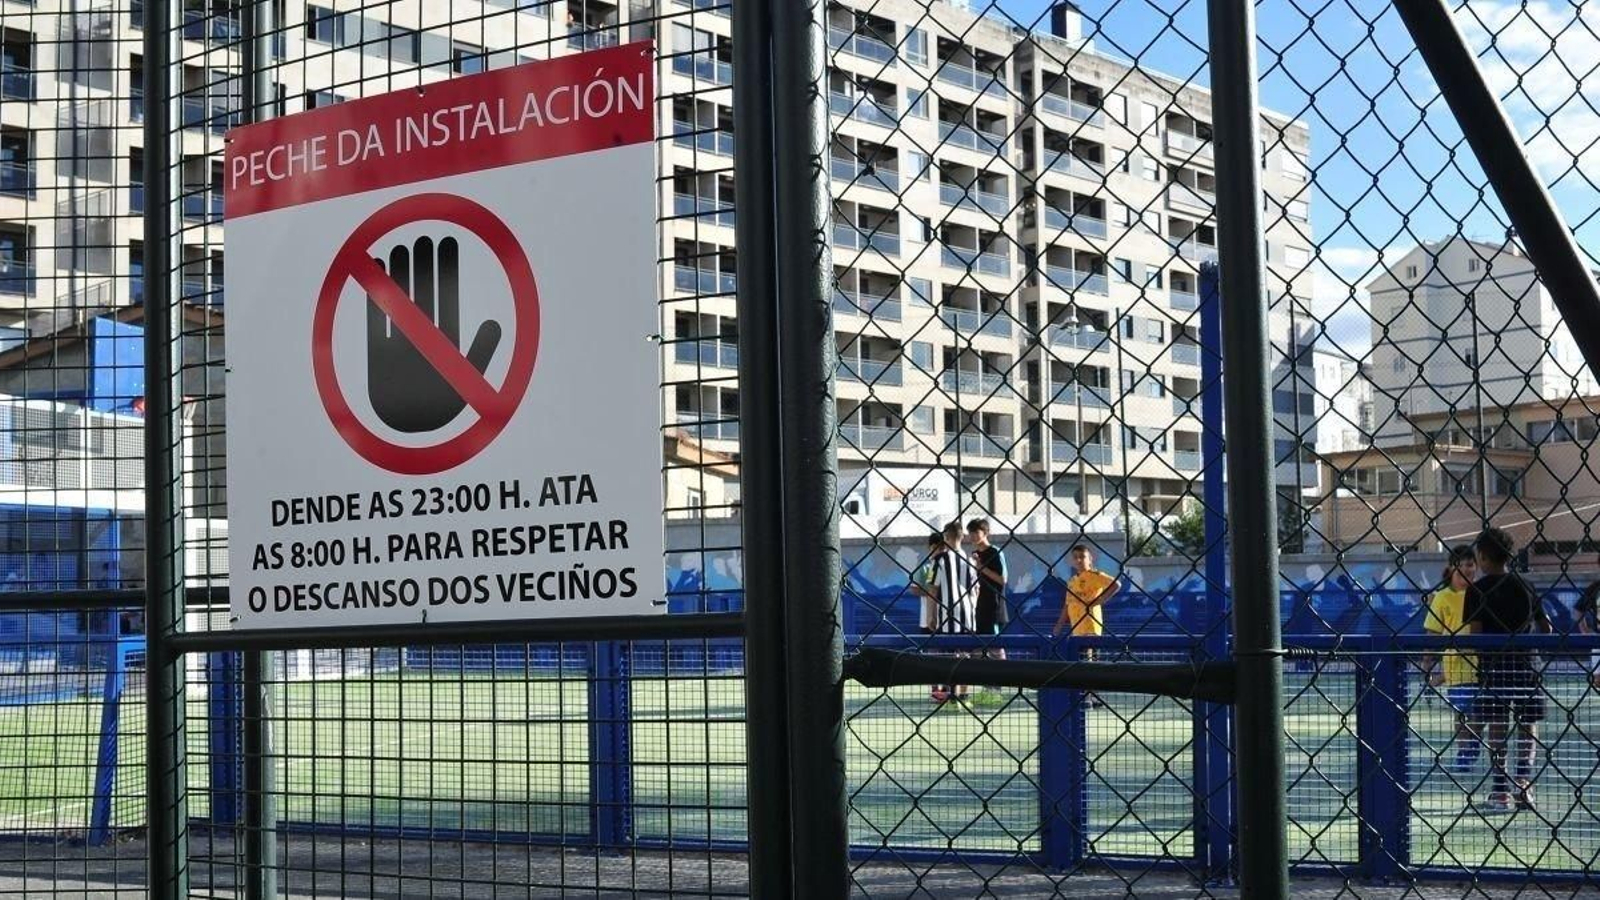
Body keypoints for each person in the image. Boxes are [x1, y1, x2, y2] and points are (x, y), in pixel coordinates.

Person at [1463, 526, 1550, 813]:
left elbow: (1475, 634)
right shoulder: (1526, 585)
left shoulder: (1477, 590)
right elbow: (1546, 626)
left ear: (1484, 557)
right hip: (1527, 665)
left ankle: (1501, 790)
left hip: (1494, 668)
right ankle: (1524, 782)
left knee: (1497, 725)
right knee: (1528, 724)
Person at [1421, 545, 1483, 775]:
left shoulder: (1481, 593)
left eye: (1470, 564)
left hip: (1482, 664)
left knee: (1480, 712)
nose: (1466, 568)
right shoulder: (1442, 597)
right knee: (1463, 712)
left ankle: (1473, 745)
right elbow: (1433, 632)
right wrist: (1427, 663)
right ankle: (1464, 750)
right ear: (1451, 567)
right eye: (1461, 564)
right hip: (1455, 665)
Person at [932, 520, 977, 703]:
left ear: (946, 537)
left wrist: (931, 615)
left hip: (947, 613)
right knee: (965, 655)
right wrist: (973, 609)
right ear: (962, 537)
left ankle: (952, 694)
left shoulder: (939, 560)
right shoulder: (971, 560)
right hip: (968, 613)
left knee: (949, 656)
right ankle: (964, 695)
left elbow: (933, 589)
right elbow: (976, 589)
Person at [910, 532, 949, 701]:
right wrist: (932, 590)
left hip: (948, 618)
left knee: (949, 654)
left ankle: (948, 689)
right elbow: (914, 589)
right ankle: (935, 690)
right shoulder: (925, 568)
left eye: (940, 548)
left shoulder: (950, 566)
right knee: (932, 655)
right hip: (927, 618)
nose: (936, 552)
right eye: (933, 549)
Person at [1053, 543, 1119, 640]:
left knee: (1089, 653)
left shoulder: (1095, 575)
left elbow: (1116, 584)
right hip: (1076, 626)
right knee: (1079, 654)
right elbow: (1067, 604)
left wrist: (1099, 601)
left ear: (1090, 559)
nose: (1078, 560)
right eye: (1075, 557)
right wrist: (1059, 624)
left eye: (1082, 557)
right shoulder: (1072, 581)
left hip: (1090, 625)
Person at [967, 518, 1008, 641]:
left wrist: (982, 568)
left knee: (995, 644)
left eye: (976, 532)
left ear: (986, 533)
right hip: (979, 607)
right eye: (970, 533)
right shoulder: (974, 554)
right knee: (980, 645)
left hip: (994, 607)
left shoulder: (995, 552)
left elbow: (1003, 579)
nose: (973, 536)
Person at [1576, 555, 1600, 689]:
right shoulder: (1595, 587)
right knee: (1598, 681)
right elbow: (1579, 609)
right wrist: (1584, 630)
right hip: (1598, 639)